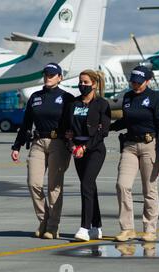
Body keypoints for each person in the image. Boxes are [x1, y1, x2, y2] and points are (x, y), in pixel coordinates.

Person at [11, 63, 74, 239]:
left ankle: (53, 227)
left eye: (52, 75)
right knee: (34, 184)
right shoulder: (35, 97)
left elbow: (73, 123)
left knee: (54, 187)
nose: (48, 77)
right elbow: (26, 123)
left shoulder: (67, 98)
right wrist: (17, 146)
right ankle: (44, 220)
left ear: (60, 77)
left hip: (58, 144)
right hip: (38, 142)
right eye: (46, 74)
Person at [110, 66, 159, 242]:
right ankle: (127, 228)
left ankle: (150, 229)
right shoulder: (128, 97)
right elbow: (126, 120)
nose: (135, 84)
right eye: (133, 81)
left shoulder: (155, 99)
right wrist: (110, 127)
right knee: (122, 185)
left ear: (147, 81)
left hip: (149, 146)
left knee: (149, 189)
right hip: (130, 145)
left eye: (139, 81)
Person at [63, 70, 111, 241]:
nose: (82, 85)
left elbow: (103, 132)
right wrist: (72, 145)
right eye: (80, 82)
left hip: (95, 150)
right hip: (77, 149)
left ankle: (84, 227)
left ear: (94, 84)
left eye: (85, 82)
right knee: (90, 187)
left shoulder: (102, 104)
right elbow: (66, 129)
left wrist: (85, 146)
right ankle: (97, 227)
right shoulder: (73, 104)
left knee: (86, 184)